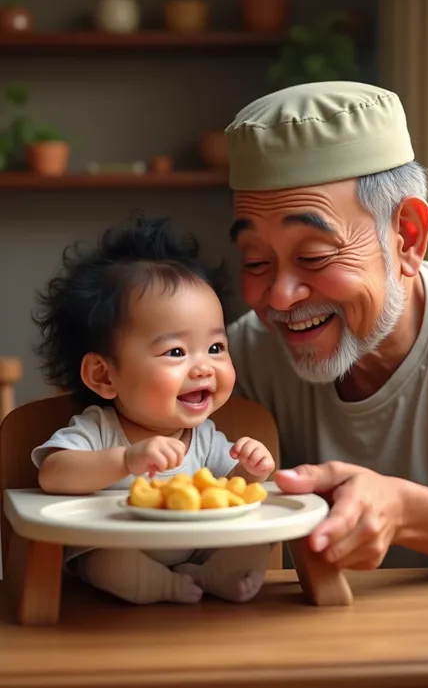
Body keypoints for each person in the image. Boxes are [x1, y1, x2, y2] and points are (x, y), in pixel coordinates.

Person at [225, 80, 428, 572]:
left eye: (313, 256)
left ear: (407, 236)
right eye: (256, 261)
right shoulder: (245, 358)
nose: (279, 296)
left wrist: (401, 511)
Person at [31, 215, 274, 605]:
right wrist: (126, 460)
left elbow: (234, 492)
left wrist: (251, 469)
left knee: (257, 537)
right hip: (120, 547)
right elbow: (53, 474)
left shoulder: (206, 437)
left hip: (198, 548)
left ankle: (212, 575)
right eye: (175, 352)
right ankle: (161, 586)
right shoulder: (100, 431)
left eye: (215, 348)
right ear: (103, 375)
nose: (203, 367)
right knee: (103, 559)